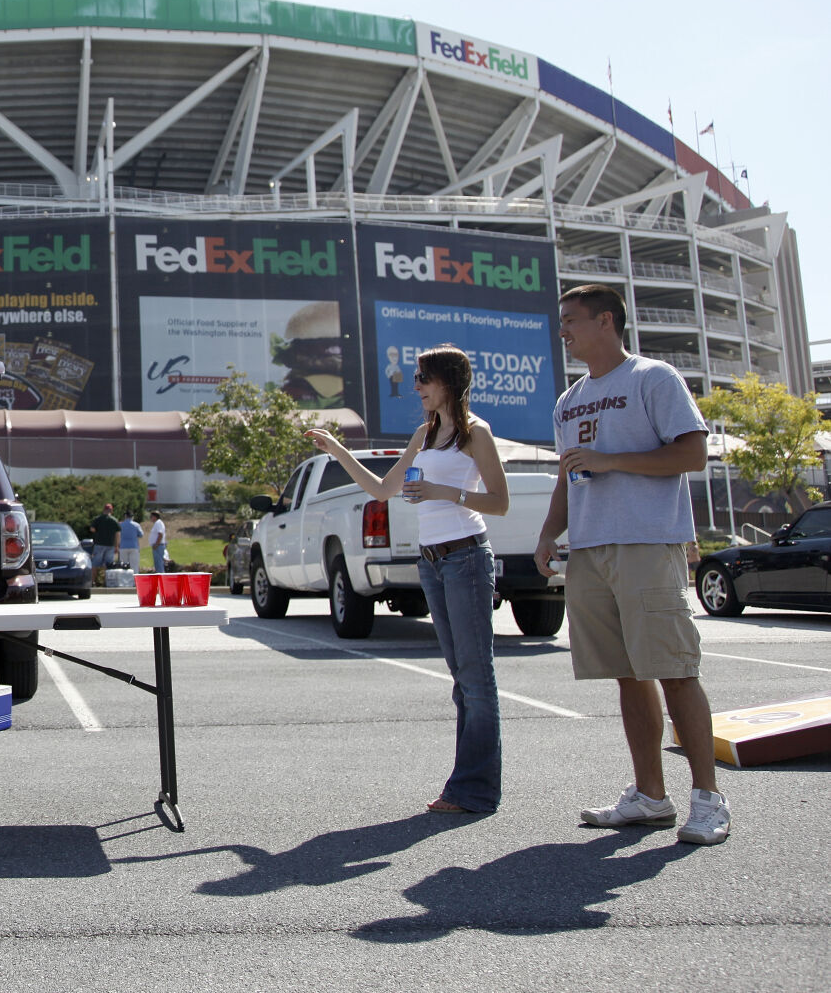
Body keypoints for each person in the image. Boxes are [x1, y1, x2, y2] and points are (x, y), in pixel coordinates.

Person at [536, 283, 728, 846]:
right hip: (591, 550)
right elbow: (569, 474)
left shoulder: (653, 377)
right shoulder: (568, 401)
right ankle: (650, 796)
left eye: (571, 320)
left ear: (606, 322)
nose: (564, 330)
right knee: (627, 673)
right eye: (562, 321)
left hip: (647, 542)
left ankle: (708, 798)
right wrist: (550, 531)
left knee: (674, 666)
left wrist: (609, 460)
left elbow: (692, 452)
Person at [307, 344, 509, 815]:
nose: (414, 385)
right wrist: (339, 451)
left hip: (466, 557)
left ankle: (474, 790)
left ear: (448, 382)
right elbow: (382, 488)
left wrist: (445, 491)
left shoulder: (476, 433)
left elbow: (499, 502)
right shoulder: (426, 433)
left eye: (422, 377)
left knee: (477, 680)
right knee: (462, 679)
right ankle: (468, 785)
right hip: (432, 563)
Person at [89, 503, 120, 571]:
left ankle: (93, 580)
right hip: (110, 545)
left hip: (99, 544)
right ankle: (108, 580)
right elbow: (117, 534)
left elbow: (92, 529)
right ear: (111, 511)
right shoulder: (114, 520)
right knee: (109, 564)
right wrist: (116, 546)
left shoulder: (98, 519)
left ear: (104, 510)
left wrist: (99, 531)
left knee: (95, 563)